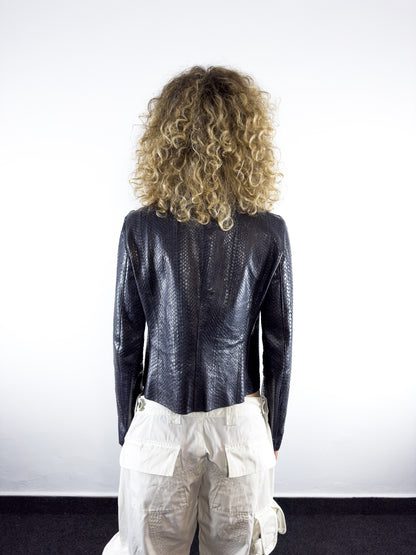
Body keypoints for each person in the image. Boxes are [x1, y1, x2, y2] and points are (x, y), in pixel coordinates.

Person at [103, 65, 293, 555]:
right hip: (239, 427)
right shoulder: (269, 231)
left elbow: (126, 341)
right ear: (247, 140)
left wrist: (128, 427)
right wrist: (275, 431)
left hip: (161, 421)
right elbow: (279, 344)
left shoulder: (140, 228)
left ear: (167, 137)